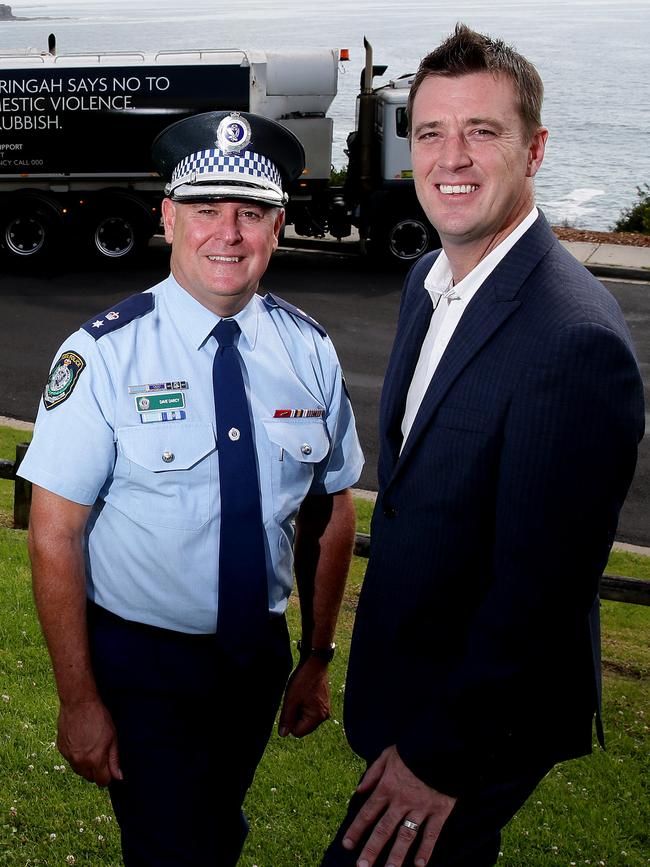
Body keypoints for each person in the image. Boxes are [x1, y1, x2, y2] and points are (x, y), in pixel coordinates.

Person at [322, 23, 645, 867]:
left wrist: (442, 755)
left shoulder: (572, 339)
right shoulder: (428, 284)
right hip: (419, 678)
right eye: (430, 132)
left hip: (476, 724)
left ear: (534, 148)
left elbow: (542, 589)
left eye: (482, 131)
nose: (451, 156)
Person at [18, 109, 364, 867]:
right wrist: (79, 698)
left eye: (251, 212)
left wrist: (315, 654)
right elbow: (55, 532)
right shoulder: (102, 353)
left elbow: (331, 509)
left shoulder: (309, 350)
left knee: (214, 824)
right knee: (174, 846)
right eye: (206, 209)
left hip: (254, 659)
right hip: (143, 664)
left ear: (279, 224)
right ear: (168, 217)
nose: (227, 233)